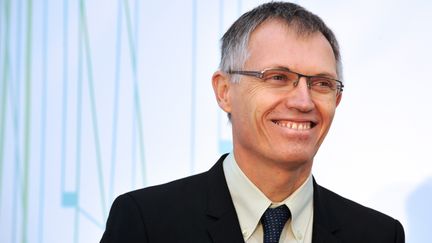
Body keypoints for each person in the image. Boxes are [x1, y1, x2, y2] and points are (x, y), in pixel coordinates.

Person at [100, 2, 405, 243]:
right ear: (224, 91)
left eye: (322, 83)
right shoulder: (148, 222)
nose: (303, 101)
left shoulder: (378, 234)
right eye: (277, 78)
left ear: (336, 99)